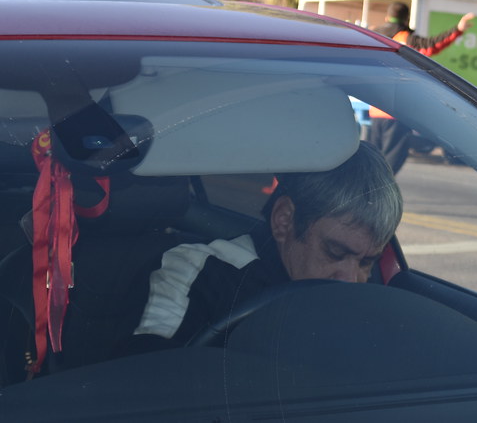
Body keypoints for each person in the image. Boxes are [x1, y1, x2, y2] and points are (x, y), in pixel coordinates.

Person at [128, 141, 402, 349]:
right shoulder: (199, 272)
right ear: (284, 221)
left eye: (367, 262)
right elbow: (150, 379)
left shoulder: (370, 297)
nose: (351, 280)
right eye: (335, 252)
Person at [367, 2, 475, 173]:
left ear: (387, 17)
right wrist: (458, 29)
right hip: (396, 112)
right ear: (406, 19)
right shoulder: (404, 38)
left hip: (375, 109)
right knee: (388, 168)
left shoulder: (373, 35)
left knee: (371, 163)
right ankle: (376, 197)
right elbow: (432, 45)